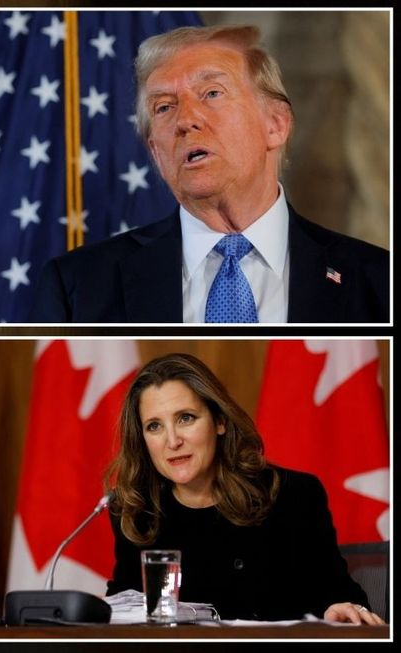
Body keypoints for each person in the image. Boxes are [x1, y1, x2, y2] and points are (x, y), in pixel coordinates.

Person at [30, 24, 388, 323]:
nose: (186, 120)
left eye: (212, 93)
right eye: (164, 107)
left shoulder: (377, 280)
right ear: (156, 152)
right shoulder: (78, 287)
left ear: (275, 126)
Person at [104, 353, 385, 623]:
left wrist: (337, 609)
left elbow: (339, 594)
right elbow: (123, 608)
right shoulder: (135, 511)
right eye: (154, 426)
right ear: (142, 440)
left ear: (220, 422)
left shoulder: (292, 495)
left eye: (185, 418)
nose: (172, 440)